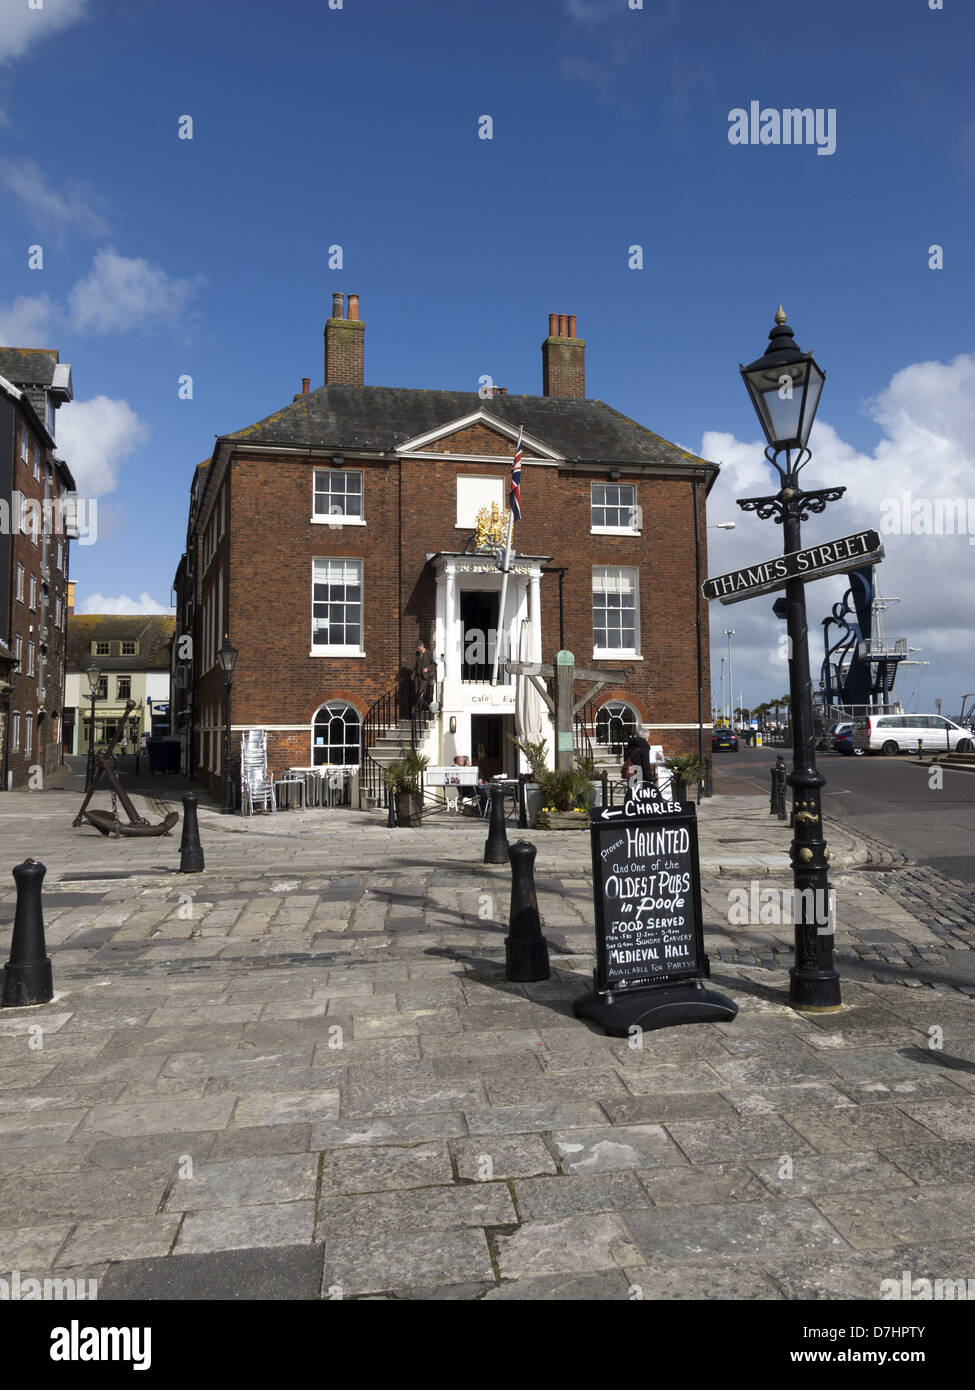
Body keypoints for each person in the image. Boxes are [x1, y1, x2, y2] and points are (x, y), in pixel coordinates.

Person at [412, 640, 435, 713]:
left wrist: (427, 669)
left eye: (418, 648)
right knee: (416, 693)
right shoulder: (417, 654)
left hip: (425, 678)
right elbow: (416, 665)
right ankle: (425, 705)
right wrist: (413, 676)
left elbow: (434, 665)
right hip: (417, 677)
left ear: (422, 646)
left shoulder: (428, 653)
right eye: (417, 648)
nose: (417, 650)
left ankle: (418, 709)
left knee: (420, 692)